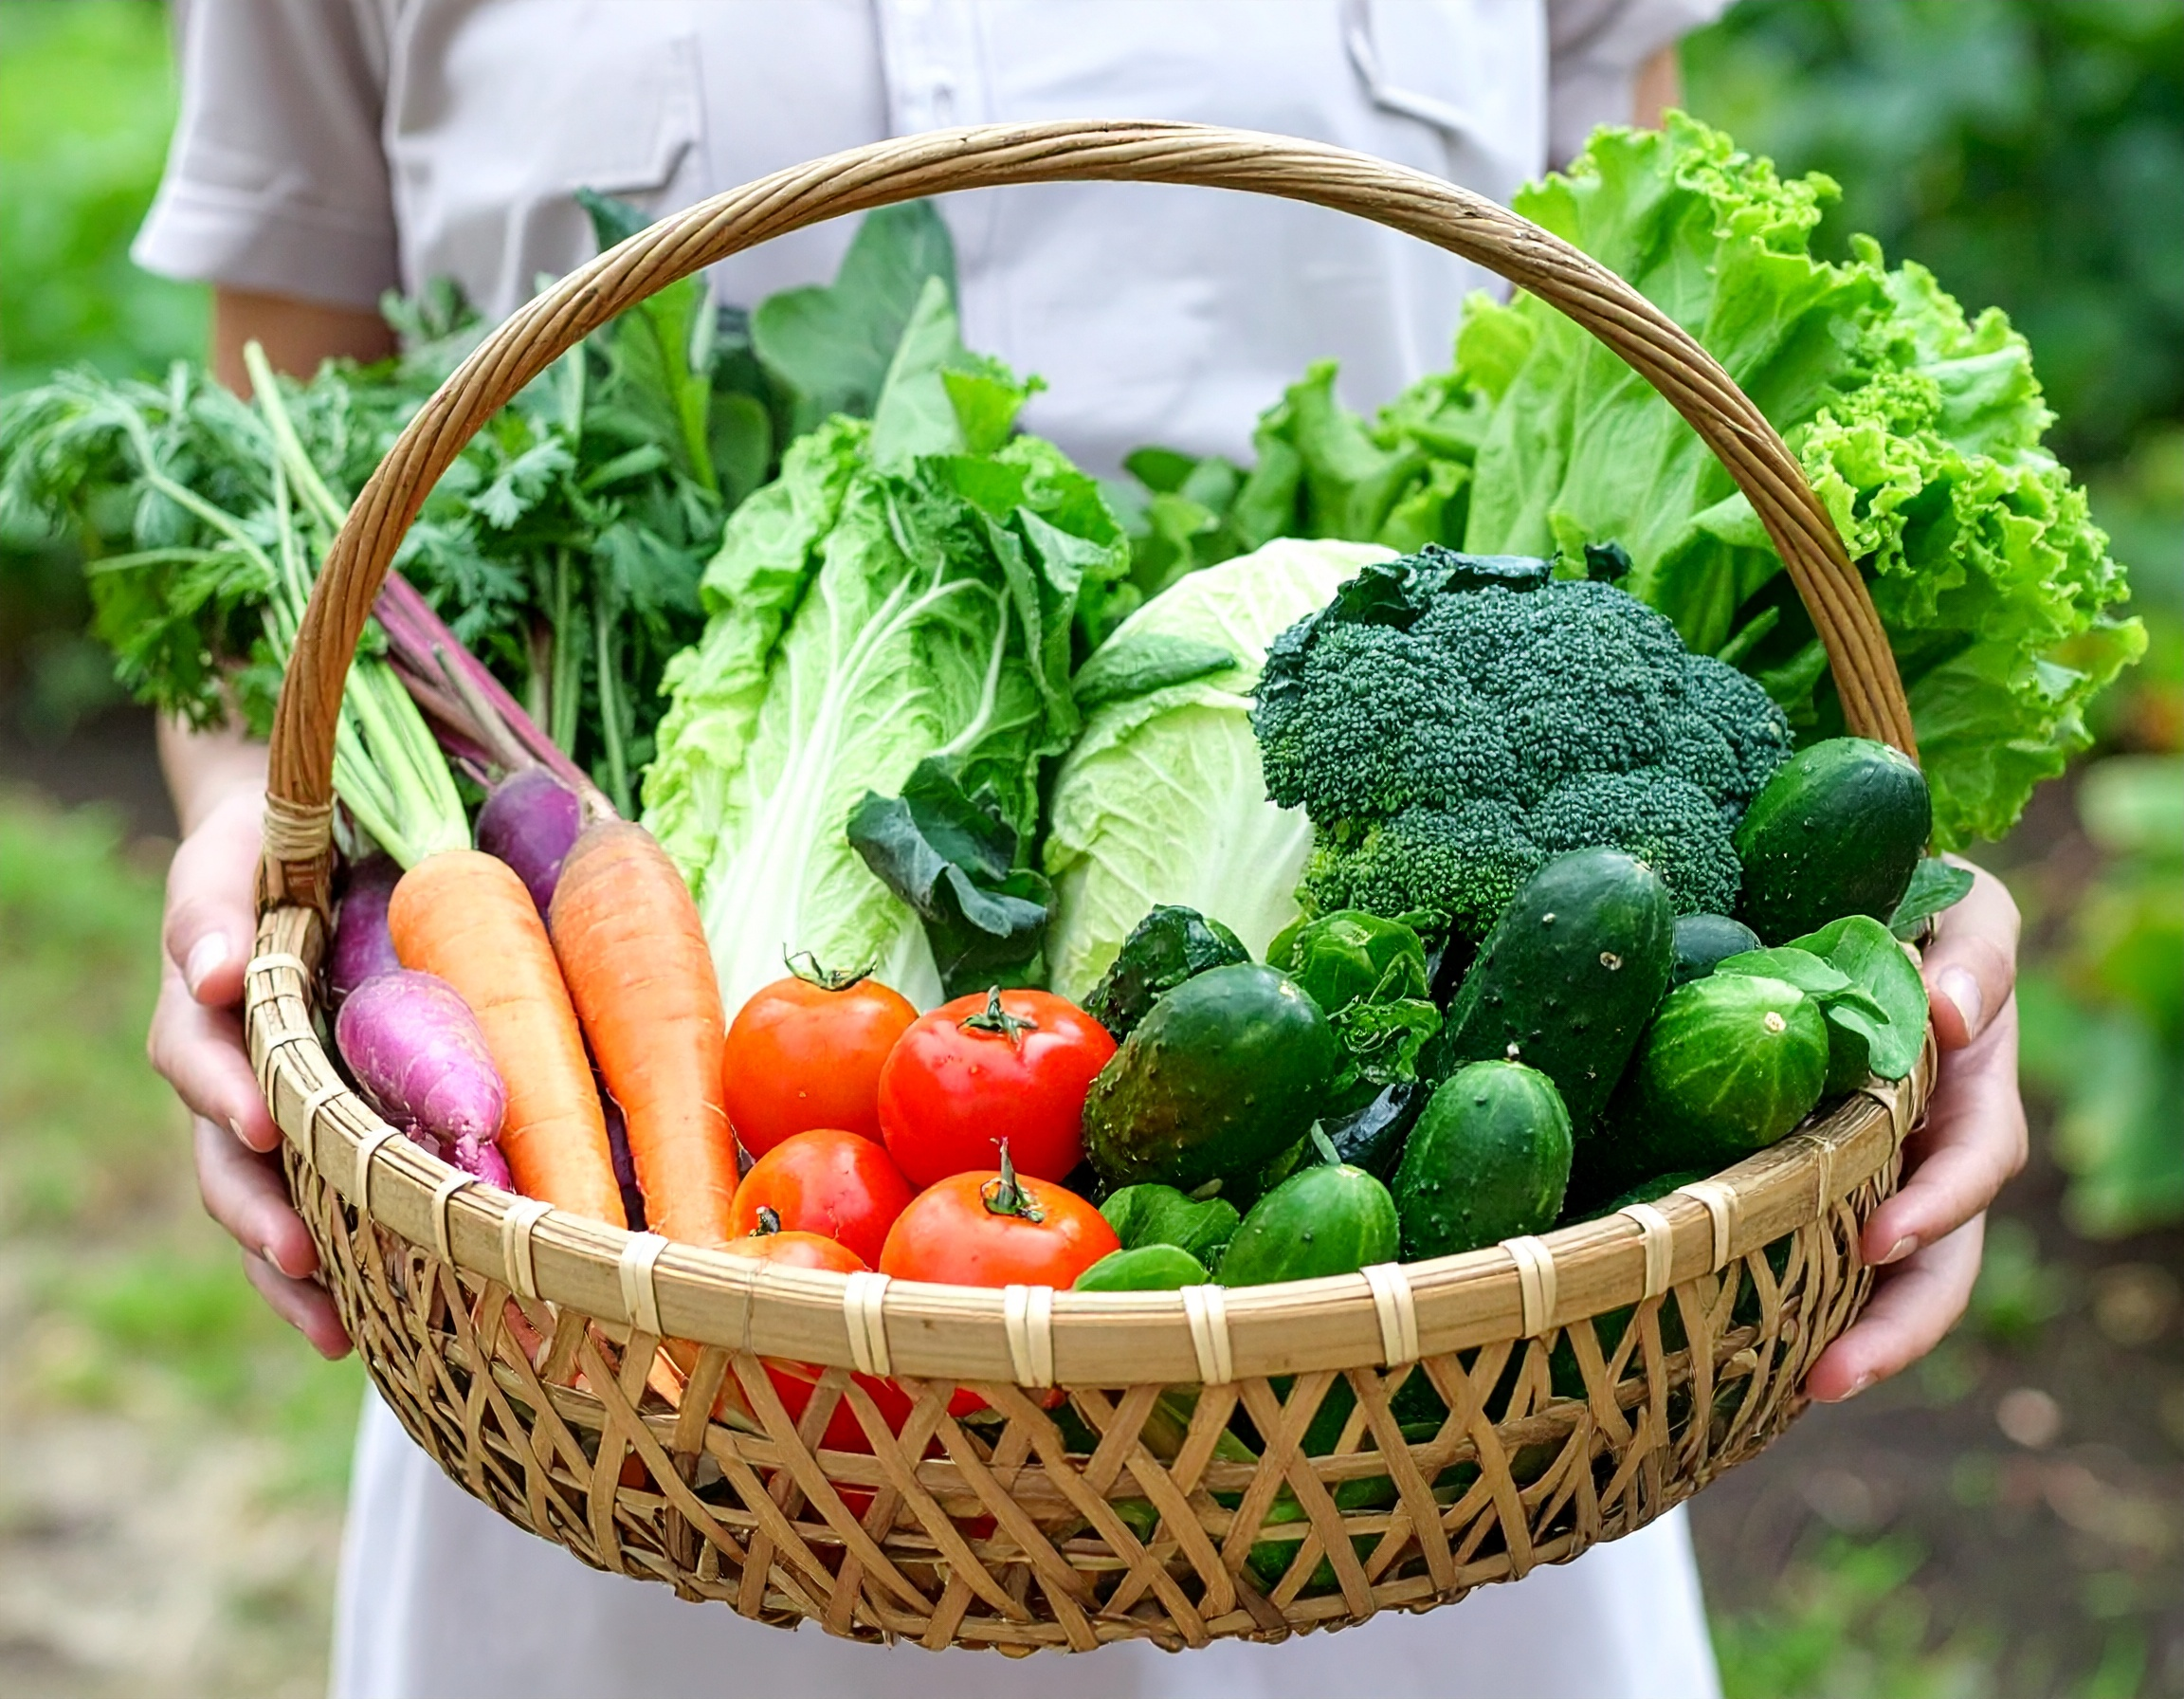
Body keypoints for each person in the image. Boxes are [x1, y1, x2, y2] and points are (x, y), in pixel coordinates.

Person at [138, 5, 2026, 1696]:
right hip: (635, 1369)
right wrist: (251, 819)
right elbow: (286, 489)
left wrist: (1878, 924)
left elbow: (1641, 343)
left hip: (1421, 1448)